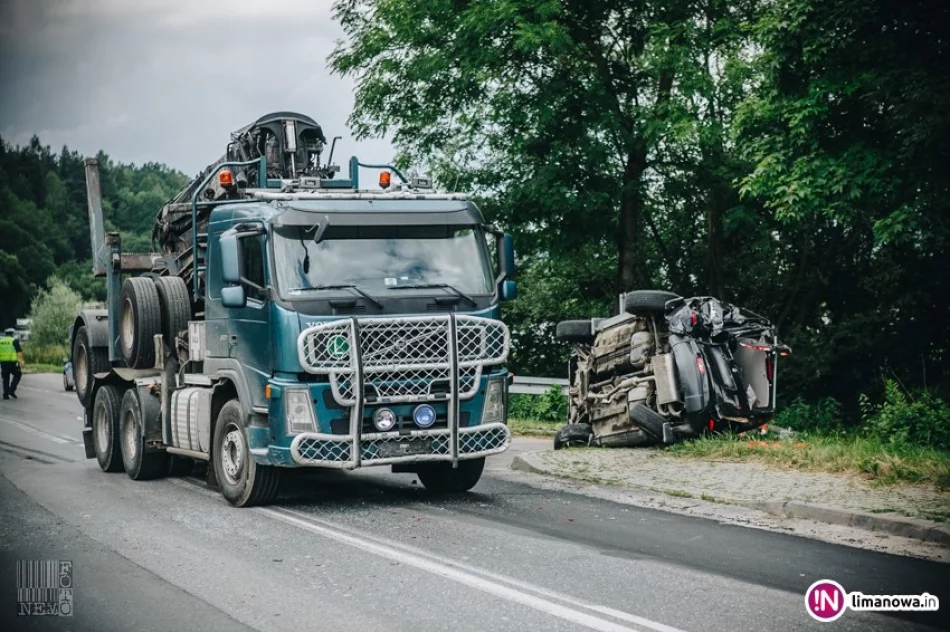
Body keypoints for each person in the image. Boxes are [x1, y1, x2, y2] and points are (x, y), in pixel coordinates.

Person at [1, 327, 24, 400]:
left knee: (5, 378)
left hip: (3, 363)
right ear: (12, 334)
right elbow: (19, 352)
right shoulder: (14, 341)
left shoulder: (1, 341)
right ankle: (11, 390)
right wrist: (21, 362)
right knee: (18, 374)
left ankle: (5, 395)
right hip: (12, 363)